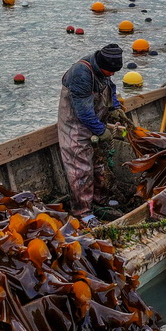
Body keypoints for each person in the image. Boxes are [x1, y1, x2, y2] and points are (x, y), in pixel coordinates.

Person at [58, 44, 125, 224]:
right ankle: (82, 211)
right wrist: (101, 131)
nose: (112, 74)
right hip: (76, 124)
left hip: (96, 118)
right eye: (110, 71)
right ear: (101, 65)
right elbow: (83, 112)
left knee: (99, 163)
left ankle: (100, 199)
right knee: (80, 168)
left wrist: (115, 107)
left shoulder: (104, 70)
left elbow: (110, 86)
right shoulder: (81, 74)